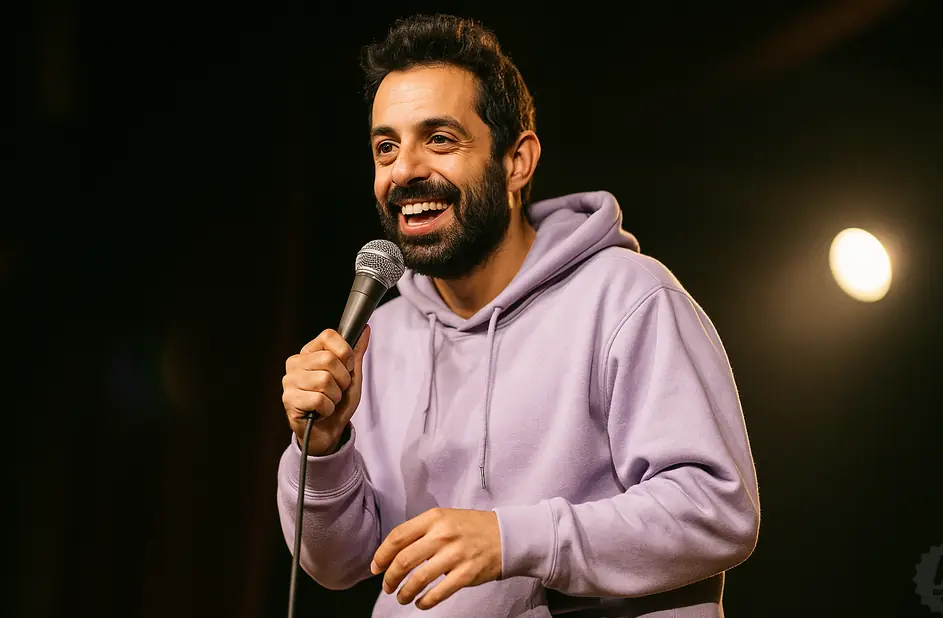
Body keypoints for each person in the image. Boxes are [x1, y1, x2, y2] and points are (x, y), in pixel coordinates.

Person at [277, 13, 760, 618]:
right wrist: (324, 450)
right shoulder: (383, 334)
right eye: (386, 147)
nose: (403, 170)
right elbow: (339, 564)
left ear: (517, 161)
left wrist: (517, 540)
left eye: (439, 139)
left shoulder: (626, 296)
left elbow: (717, 511)